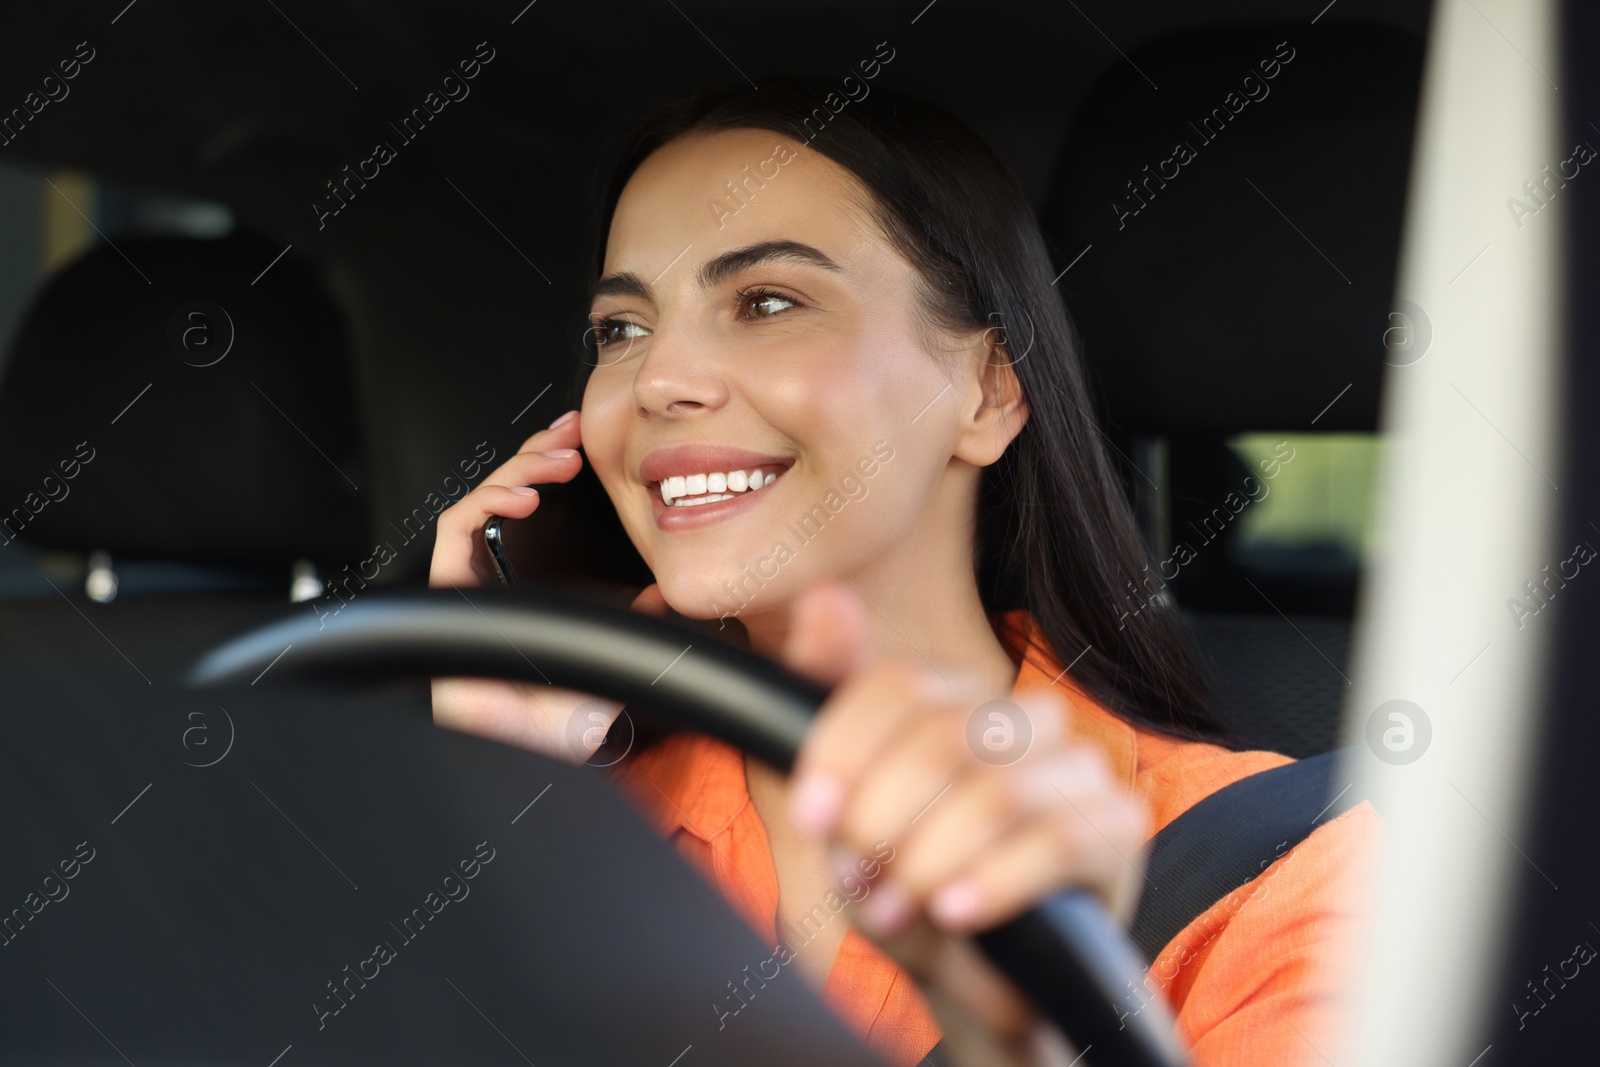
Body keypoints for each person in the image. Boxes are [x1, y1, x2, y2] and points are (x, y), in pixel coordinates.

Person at [429, 77, 1376, 1067]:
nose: (659, 379)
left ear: (987, 391)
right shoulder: (554, 820)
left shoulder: (1276, 878)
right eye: (620, 329)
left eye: (766, 301)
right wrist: (495, 801)